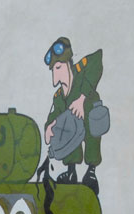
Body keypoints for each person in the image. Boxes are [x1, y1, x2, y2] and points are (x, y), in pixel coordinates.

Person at [44, 37, 103, 195]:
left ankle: (91, 171)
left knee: (93, 122)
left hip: (90, 113)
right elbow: (54, 114)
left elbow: (97, 59)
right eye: (53, 70)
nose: (55, 75)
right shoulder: (59, 95)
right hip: (75, 126)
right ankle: (71, 171)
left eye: (58, 67)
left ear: (66, 64)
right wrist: (49, 127)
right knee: (66, 127)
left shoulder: (81, 69)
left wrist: (82, 99)